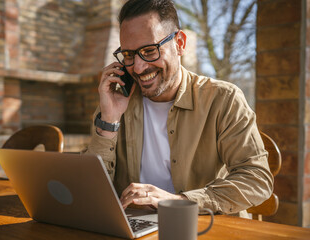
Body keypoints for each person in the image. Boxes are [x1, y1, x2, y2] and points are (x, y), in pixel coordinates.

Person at [85, 0, 273, 217]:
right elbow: (93, 188)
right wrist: (109, 120)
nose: (138, 66)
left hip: (203, 228)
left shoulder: (223, 99)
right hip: (134, 228)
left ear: (180, 43)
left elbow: (257, 179)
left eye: (149, 50)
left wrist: (178, 202)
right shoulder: (116, 102)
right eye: (128, 55)